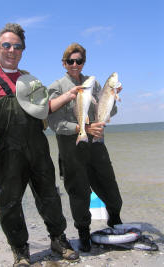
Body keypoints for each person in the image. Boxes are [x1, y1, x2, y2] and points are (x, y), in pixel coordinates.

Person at [0, 24, 79, 267]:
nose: (11, 50)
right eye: (5, 45)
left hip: (38, 149)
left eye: (17, 46)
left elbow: (44, 109)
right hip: (6, 153)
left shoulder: (31, 80)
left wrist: (69, 96)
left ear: (22, 51)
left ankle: (59, 240)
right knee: (8, 203)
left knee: (50, 196)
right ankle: (20, 250)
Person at [47, 43, 123, 253]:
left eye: (79, 61)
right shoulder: (57, 87)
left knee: (109, 186)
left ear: (83, 62)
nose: (75, 64)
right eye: (70, 61)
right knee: (78, 193)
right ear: (64, 63)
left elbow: (107, 112)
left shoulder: (93, 83)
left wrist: (112, 96)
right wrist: (84, 129)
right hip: (71, 150)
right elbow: (55, 123)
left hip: (96, 147)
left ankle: (115, 223)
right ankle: (83, 233)